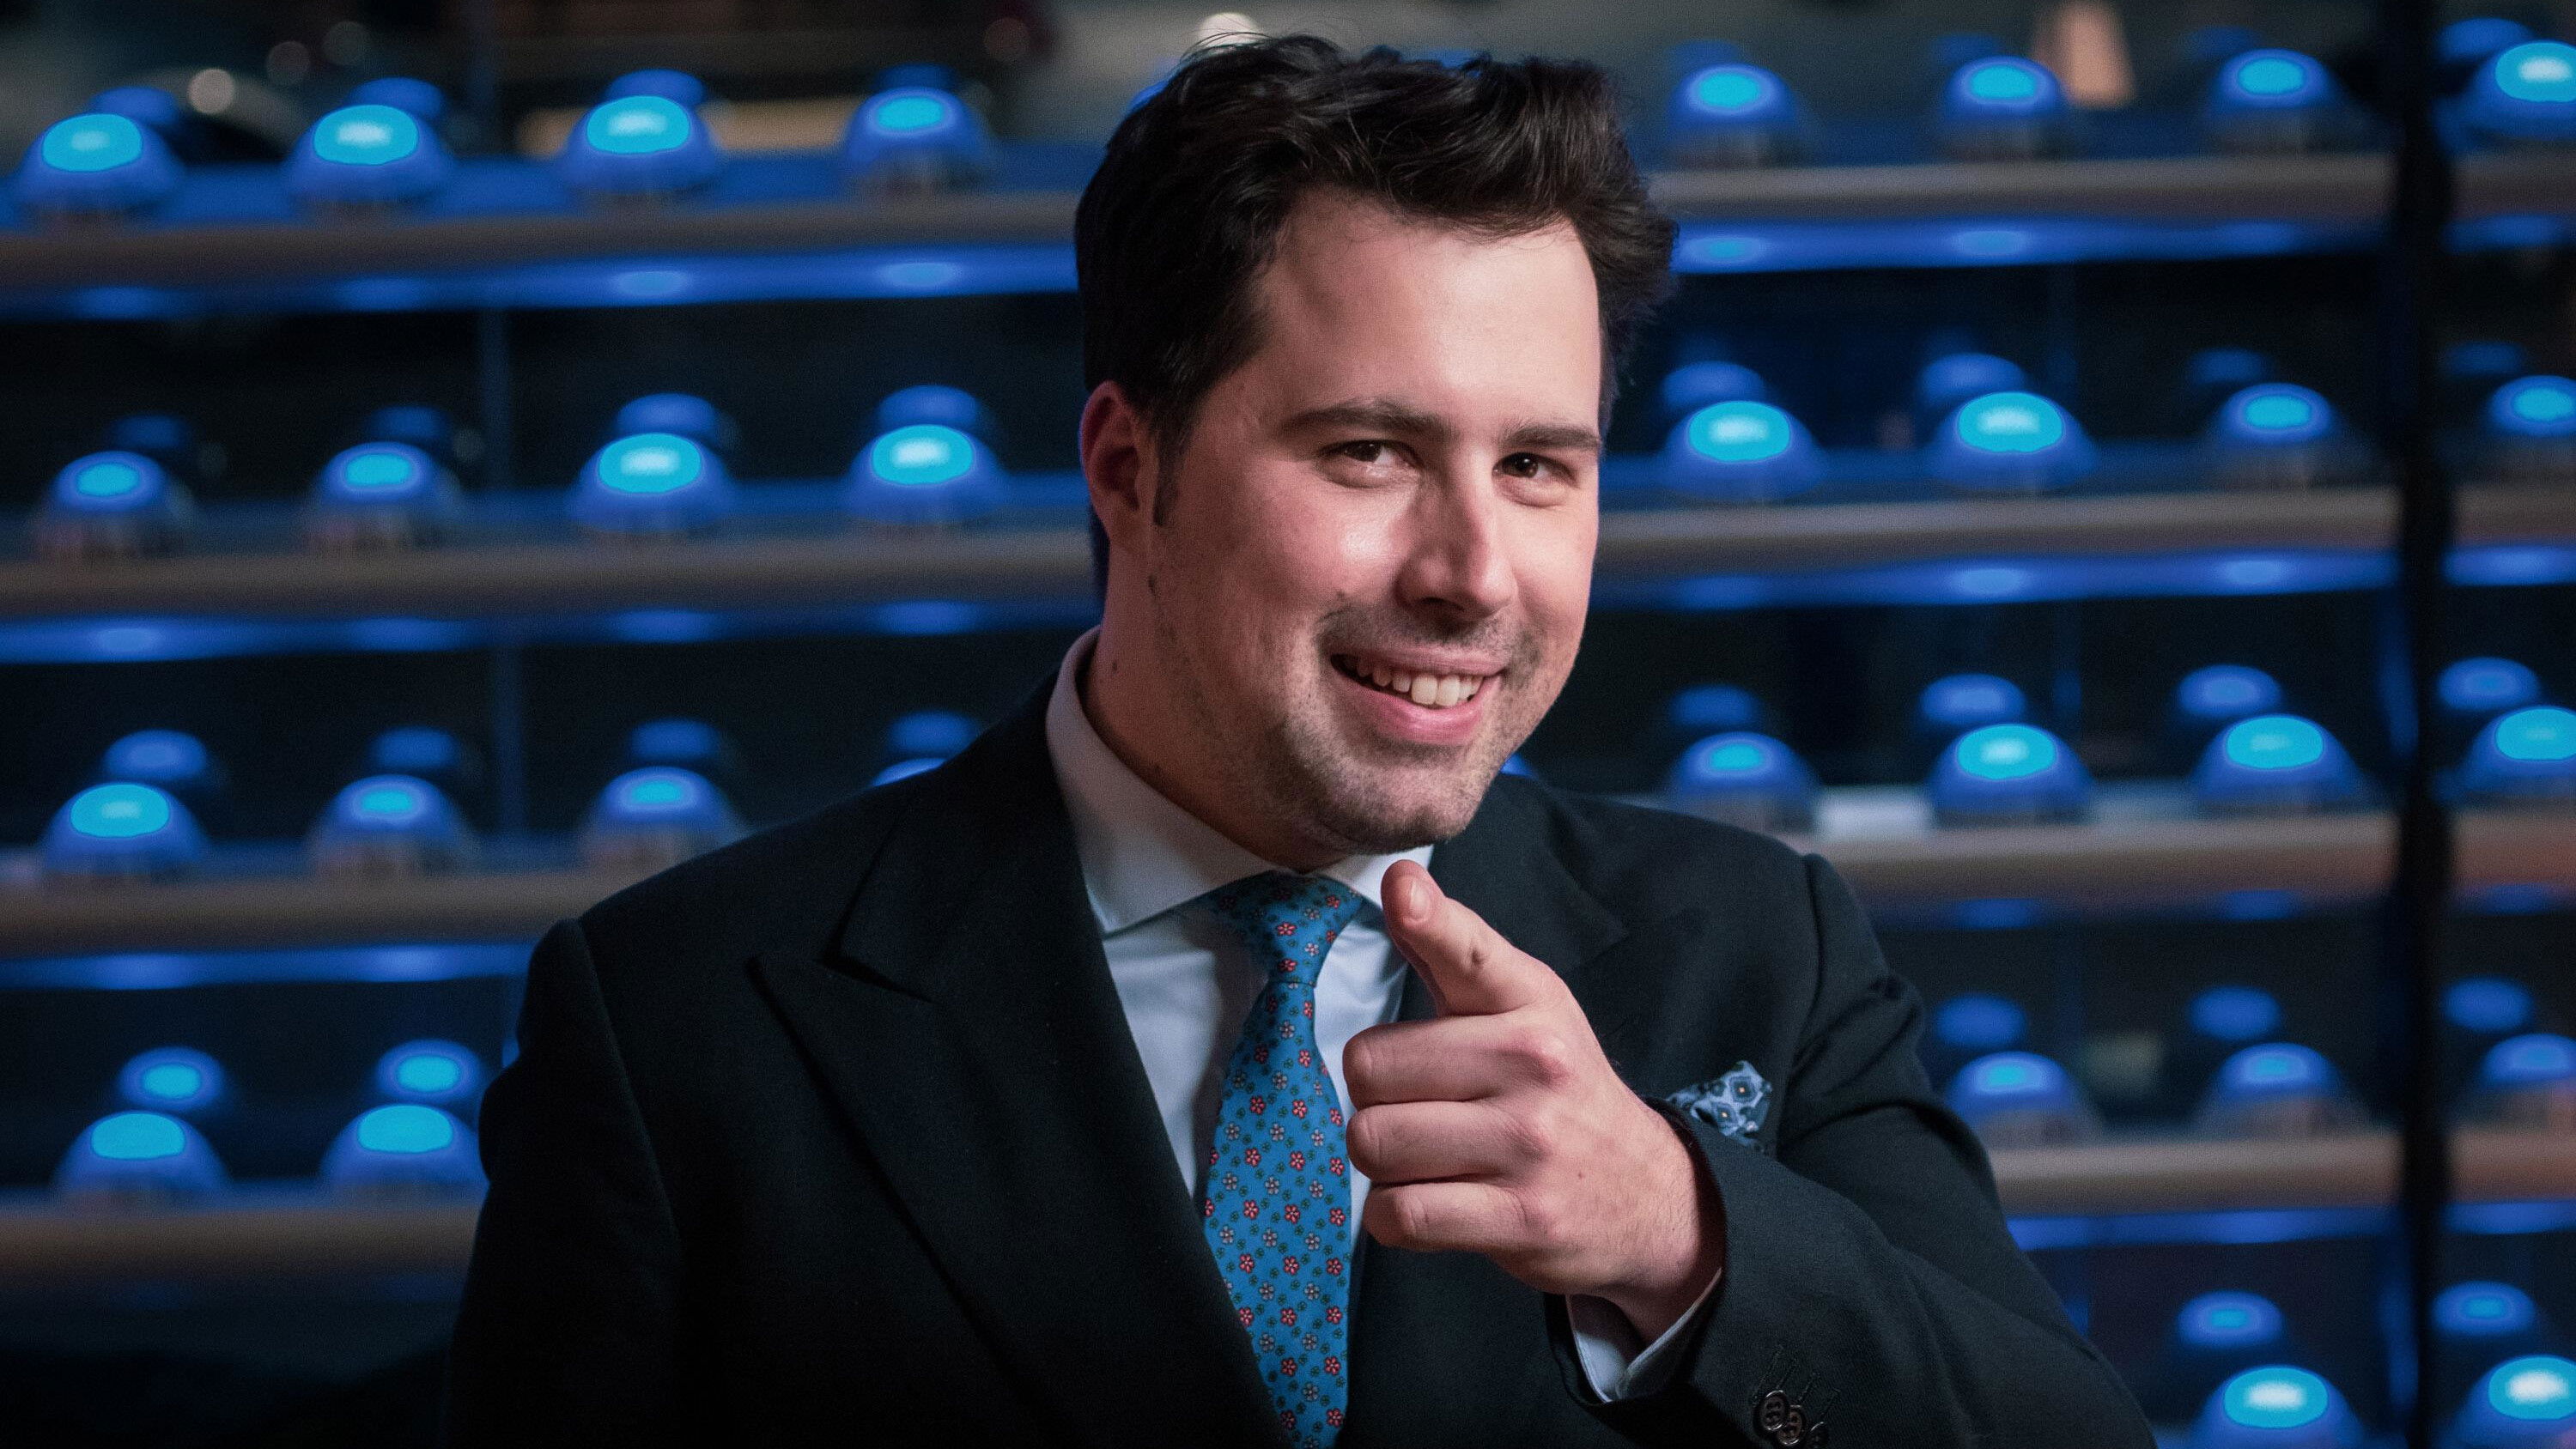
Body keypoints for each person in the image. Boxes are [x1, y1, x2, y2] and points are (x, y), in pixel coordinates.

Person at [440, 36, 2155, 1449]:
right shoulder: (679, 1017)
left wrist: (1683, 1234)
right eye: (1368, 453)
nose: (1473, 573)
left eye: (1536, 467)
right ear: (1130, 472)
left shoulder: (1761, 951)